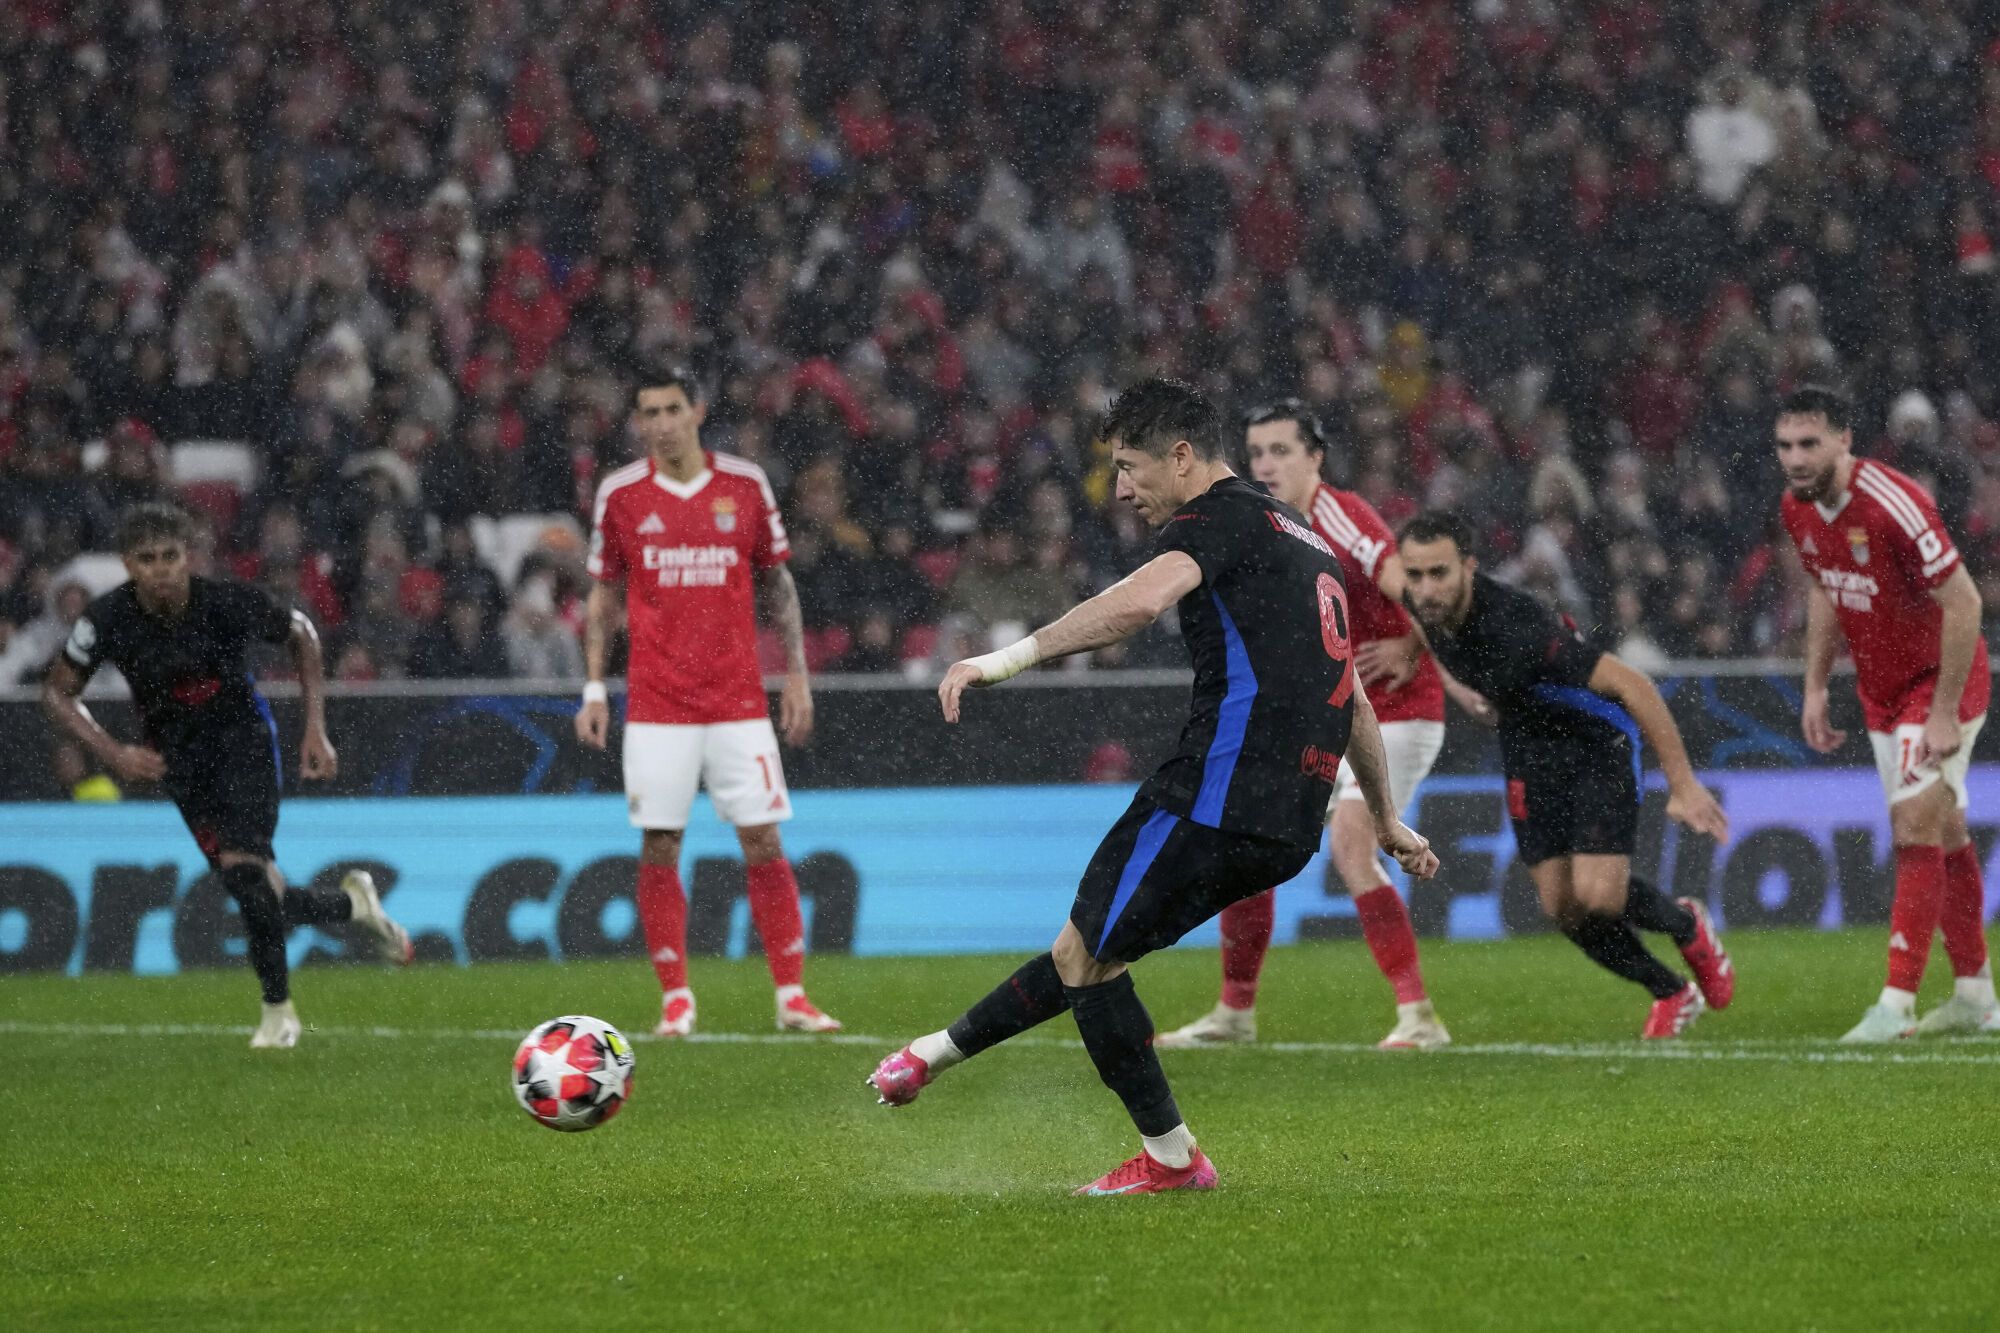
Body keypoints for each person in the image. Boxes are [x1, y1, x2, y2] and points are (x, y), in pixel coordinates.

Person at [866, 379, 1439, 1196]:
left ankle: (1172, 1157)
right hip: (1290, 817)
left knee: (1089, 959)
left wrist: (1004, 659)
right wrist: (1384, 817)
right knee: (1087, 951)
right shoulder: (1304, 538)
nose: (1122, 489)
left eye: (1130, 467)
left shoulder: (1219, 518)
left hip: (1212, 793)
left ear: (1182, 457)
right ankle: (929, 1055)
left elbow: (1139, 600)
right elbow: (1349, 694)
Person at [1160, 398, 1483, 1052]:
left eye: (1283, 450)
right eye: (1258, 453)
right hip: (1333, 713)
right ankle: (1234, 1014)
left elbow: (1415, 590)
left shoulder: (1340, 515)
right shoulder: (1268, 525)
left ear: (1316, 457)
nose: (1268, 464)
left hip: (1398, 709)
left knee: (1349, 845)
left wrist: (1418, 652)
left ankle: (1420, 1016)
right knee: (1243, 839)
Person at [40, 503, 409, 1049]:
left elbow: (302, 634)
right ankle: (353, 906)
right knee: (261, 893)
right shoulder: (106, 620)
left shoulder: (225, 602)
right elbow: (57, 691)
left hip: (244, 746)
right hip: (181, 764)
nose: (162, 569)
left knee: (243, 872)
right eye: (148, 559)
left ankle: (278, 1014)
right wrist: (113, 752)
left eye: (171, 556)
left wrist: (315, 729)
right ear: (128, 564)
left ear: (187, 557)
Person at [1398, 510, 1736, 1039]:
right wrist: (1412, 650)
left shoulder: (1518, 624)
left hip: (1593, 743)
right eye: (1414, 575)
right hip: (1527, 751)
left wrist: (1684, 785)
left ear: (1469, 567)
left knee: (1599, 897)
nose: (1425, 588)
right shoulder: (1419, 603)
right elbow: (1423, 624)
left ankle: (1686, 924)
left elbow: (1635, 686)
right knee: (1562, 908)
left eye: (1438, 573)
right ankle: (1671, 990)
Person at [575, 367, 839, 1037]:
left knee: (763, 838)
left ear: (697, 410)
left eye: (671, 408)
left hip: (738, 702)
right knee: (661, 843)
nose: (660, 422)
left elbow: (777, 583)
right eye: (647, 412)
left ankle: (791, 996)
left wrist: (798, 674)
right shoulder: (623, 494)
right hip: (658, 704)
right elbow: (602, 596)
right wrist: (594, 686)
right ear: (638, 422)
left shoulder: (744, 485)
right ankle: (676, 998)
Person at [1774, 385, 1995, 1041]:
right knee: (1945, 830)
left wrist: (1945, 713)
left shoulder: (1895, 503)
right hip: (1881, 690)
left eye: (1809, 443)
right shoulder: (1798, 509)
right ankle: (1976, 996)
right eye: (1785, 445)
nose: (1795, 458)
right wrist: (1815, 686)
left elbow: (1966, 603)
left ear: (1845, 439)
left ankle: (1895, 1004)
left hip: (1939, 684)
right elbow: (1822, 584)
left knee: (1912, 826)